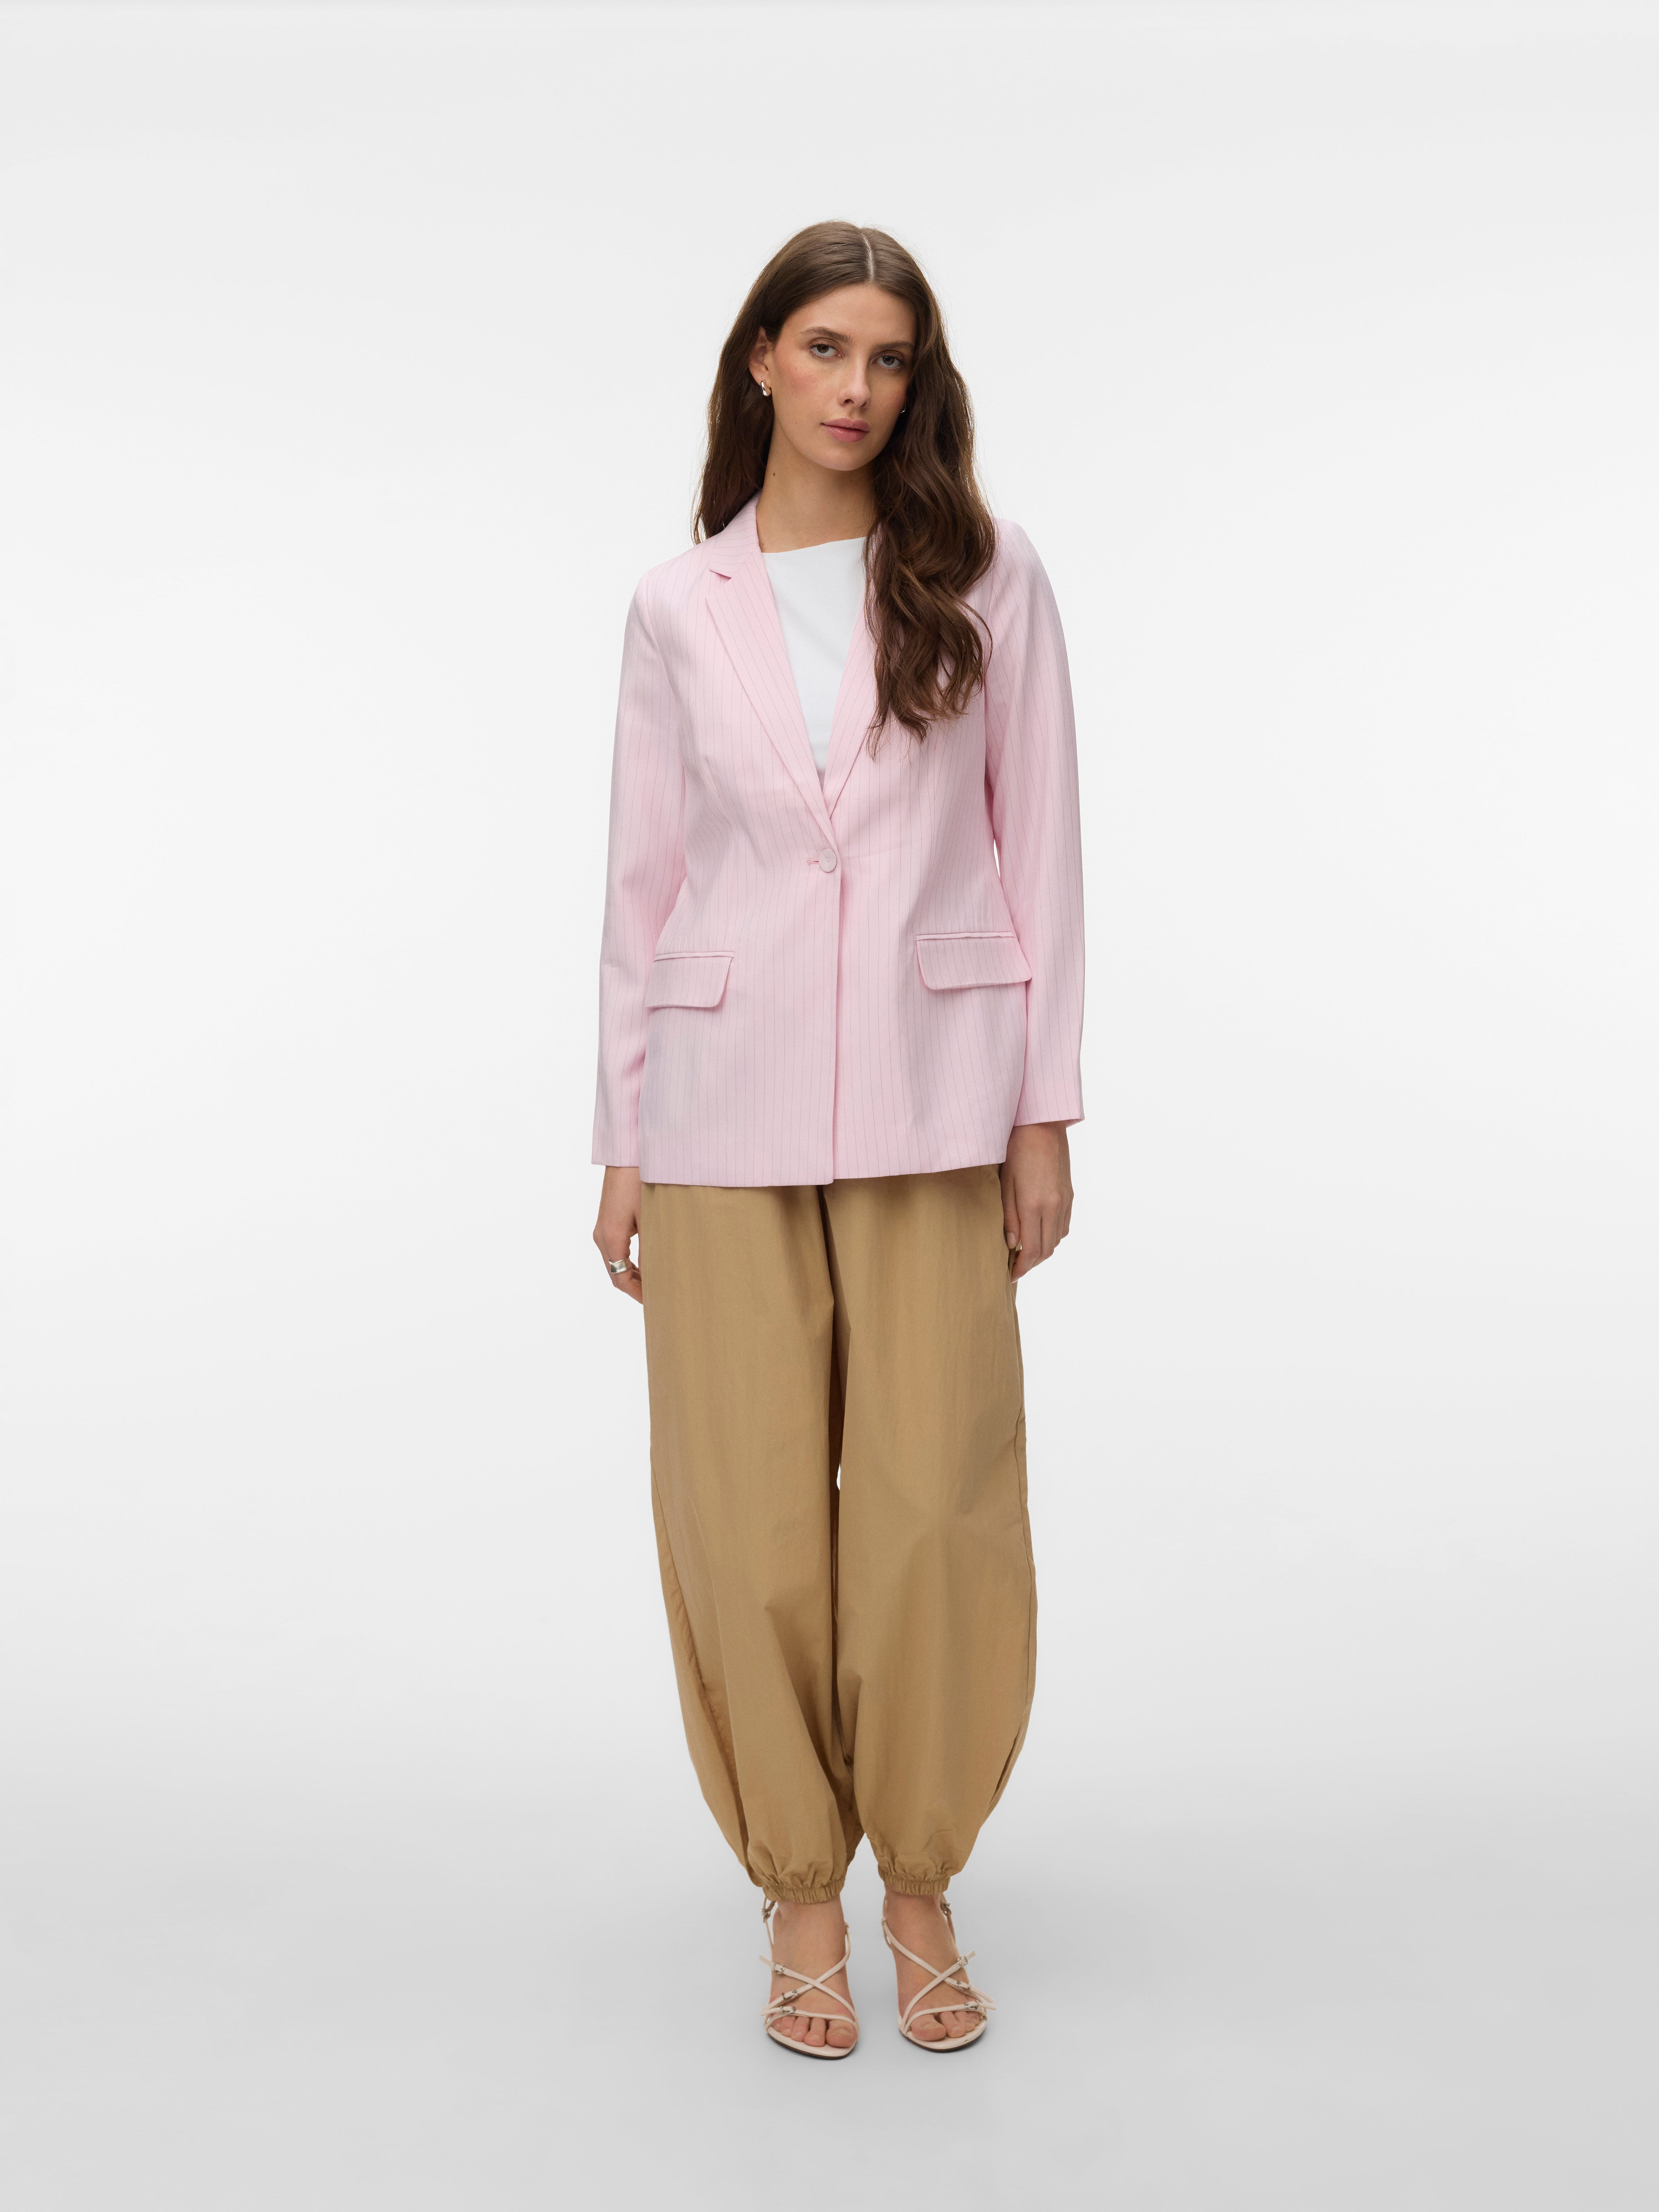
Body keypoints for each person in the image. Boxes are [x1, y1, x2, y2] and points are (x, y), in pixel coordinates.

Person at [590, 221, 1084, 2057]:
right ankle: (801, 1888)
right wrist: (621, 1137)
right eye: (824, 349)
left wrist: (1044, 1110)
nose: (855, 387)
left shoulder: (987, 574)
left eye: (888, 357)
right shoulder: (676, 604)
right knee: (742, 1509)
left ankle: (921, 1882)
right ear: (762, 362)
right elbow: (642, 879)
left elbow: (1043, 844)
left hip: (936, 1086)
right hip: (716, 1101)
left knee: (939, 1496)